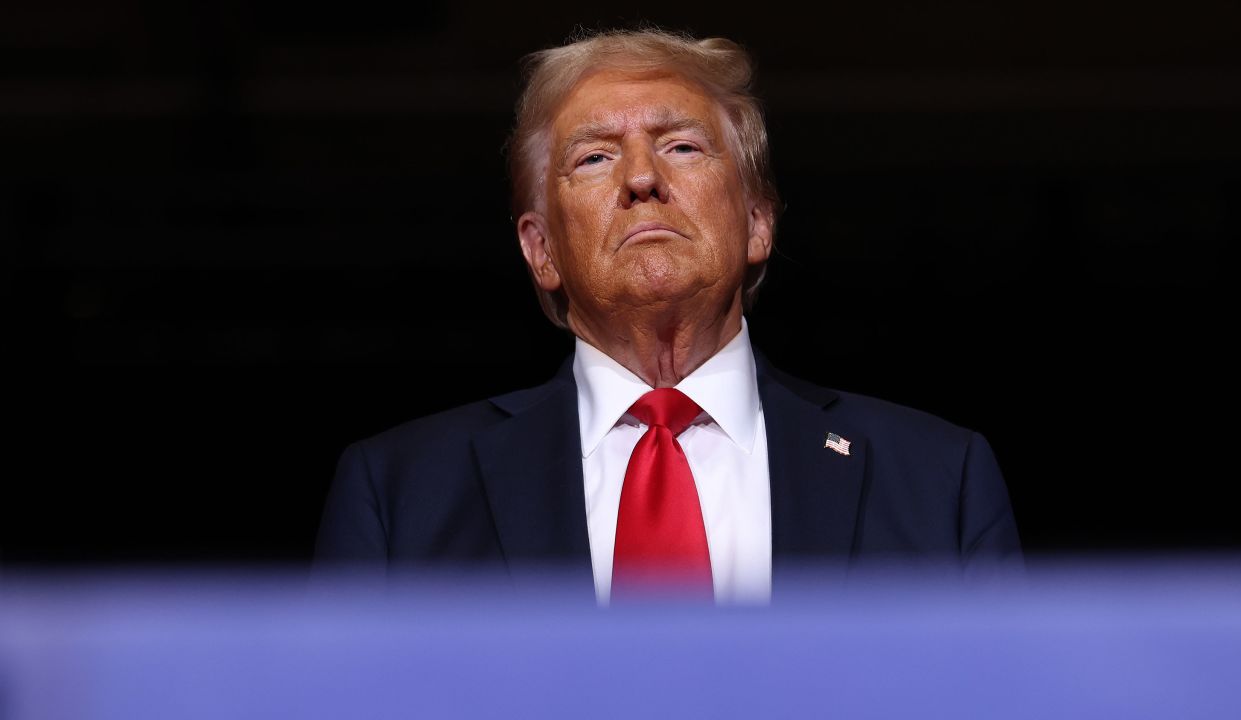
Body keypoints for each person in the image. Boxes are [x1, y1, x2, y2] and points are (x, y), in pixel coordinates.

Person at [315, 29, 1021, 603]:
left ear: (756, 223)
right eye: (593, 157)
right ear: (541, 250)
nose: (642, 178)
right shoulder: (401, 494)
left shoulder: (939, 480)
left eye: (681, 146)